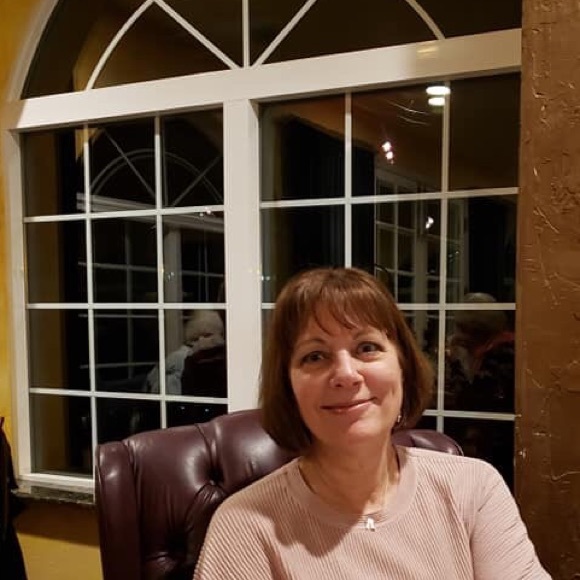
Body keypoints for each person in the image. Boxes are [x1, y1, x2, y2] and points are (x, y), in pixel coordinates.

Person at [194, 268, 550, 579]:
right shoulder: (243, 528)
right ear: (288, 387)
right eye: (315, 356)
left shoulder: (474, 489)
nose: (346, 374)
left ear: (403, 366)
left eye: (366, 347)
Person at [145, 310, 224, 395]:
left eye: (207, 335)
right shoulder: (179, 359)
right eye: (195, 339)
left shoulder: (224, 359)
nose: (201, 342)